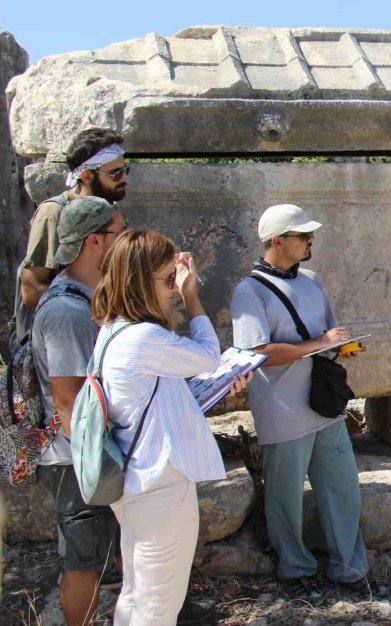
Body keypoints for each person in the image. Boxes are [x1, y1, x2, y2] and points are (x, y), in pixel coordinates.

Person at [91, 230, 247, 625]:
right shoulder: (145, 337)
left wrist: (219, 387)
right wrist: (193, 295)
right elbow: (210, 356)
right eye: (166, 281)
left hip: (137, 480)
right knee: (158, 606)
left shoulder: (113, 330)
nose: (173, 290)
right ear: (141, 282)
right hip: (160, 486)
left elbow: (161, 395)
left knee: (137, 597)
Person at [230, 204, 368, 605]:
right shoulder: (249, 291)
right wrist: (320, 344)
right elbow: (255, 352)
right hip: (282, 408)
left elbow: (326, 333)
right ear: (277, 240)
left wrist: (341, 345)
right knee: (285, 495)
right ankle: (295, 569)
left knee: (342, 487)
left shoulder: (311, 280)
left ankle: (349, 568)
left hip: (323, 403)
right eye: (303, 235)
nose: (311, 240)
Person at [31, 197, 125, 626]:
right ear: (94, 242)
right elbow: (68, 401)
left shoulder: (89, 298)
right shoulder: (68, 312)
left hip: (90, 452)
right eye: (118, 233)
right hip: (76, 459)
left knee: (109, 553)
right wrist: (102, 466)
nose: (124, 241)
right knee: (84, 561)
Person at [13, 128, 129, 349]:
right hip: (59, 342)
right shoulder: (54, 212)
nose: (124, 178)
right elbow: (32, 288)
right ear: (86, 175)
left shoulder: (110, 212)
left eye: (125, 171)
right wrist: (90, 316)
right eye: (115, 173)